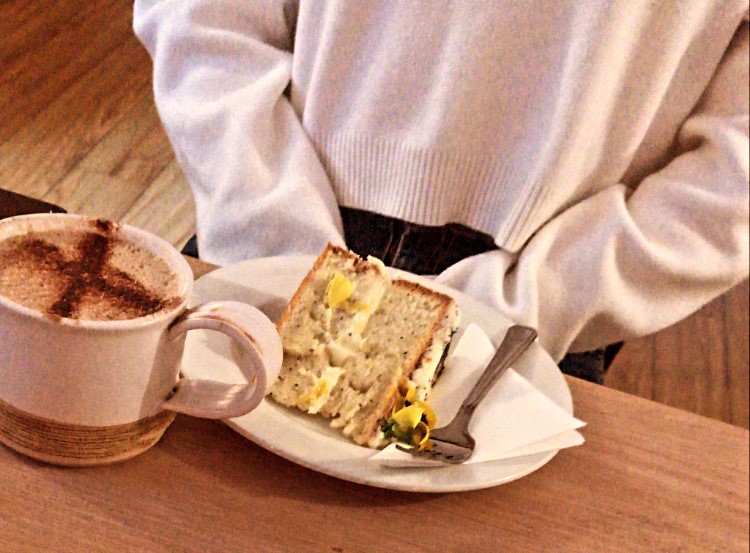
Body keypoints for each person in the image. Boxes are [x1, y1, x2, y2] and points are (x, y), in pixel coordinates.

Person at [133, 0, 749, 382]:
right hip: (270, 219)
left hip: (542, 297)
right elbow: (200, 13)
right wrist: (273, 234)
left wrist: (536, 298)